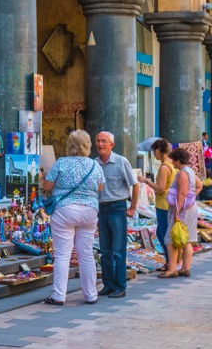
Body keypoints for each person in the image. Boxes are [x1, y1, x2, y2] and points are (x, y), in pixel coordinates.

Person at [41, 130, 105, 305]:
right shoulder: (94, 165)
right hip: (89, 211)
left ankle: (58, 295)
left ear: (69, 145)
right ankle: (91, 294)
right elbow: (100, 187)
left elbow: (47, 186)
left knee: (62, 254)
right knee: (86, 254)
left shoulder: (62, 163)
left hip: (64, 210)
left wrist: (45, 178)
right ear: (88, 145)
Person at [95, 131, 140, 299]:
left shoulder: (121, 162)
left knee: (118, 251)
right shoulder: (94, 164)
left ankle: (120, 286)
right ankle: (108, 285)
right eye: (98, 141)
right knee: (105, 251)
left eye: (104, 141)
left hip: (117, 208)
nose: (100, 144)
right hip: (101, 209)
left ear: (112, 145)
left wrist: (133, 208)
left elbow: (135, 185)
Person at [157, 147, 203, 279]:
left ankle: (172, 269)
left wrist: (177, 211)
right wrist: (192, 197)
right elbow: (199, 186)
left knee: (170, 238)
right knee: (187, 238)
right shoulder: (190, 172)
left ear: (178, 160)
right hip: (190, 208)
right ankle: (185, 268)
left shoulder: (182, 173)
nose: (172, 162)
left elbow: (182, 193)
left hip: (182, 210)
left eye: (173, 160)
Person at [137, 139, 177, 272]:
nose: (154, 154)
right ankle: (170, 261)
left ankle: (170, 262)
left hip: (164, 203)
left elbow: (160, 188)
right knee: (164, 233)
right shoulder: (171, 164)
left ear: (159, 151)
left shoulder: (164, 167)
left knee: (163, 234)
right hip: (167, 203)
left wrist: (146, 181)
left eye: (154, 151)